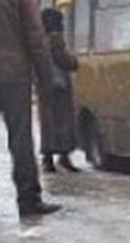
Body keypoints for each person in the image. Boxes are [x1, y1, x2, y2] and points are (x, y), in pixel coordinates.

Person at [0, 0, 61, 218]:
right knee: (20, 139)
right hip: (12, 74)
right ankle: (29, 200)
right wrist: (47, 78)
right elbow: (35, 35)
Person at [38, 7, 79, 173]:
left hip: (43, 86)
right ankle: (64, 157)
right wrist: (74, 61)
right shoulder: (55, 39)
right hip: (59, 86)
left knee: (48, 124)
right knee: (64, 122)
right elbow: (63, 60)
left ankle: (48, 159)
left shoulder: (38, 39)